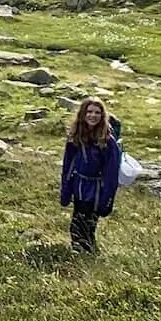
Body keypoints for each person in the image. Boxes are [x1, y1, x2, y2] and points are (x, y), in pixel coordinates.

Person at [60, 97, 122, 253]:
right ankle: (81, 255)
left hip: (96, 190)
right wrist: (66, 190)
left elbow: (112, 173)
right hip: (79, 187)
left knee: (87, 227)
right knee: (76, 225)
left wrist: (107, 200)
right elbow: (67, 164)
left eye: (97, 113)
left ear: (102, 116)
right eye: (89, 112)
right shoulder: (75, 136)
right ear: (83, 114)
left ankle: (88, 256)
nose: (93, 116)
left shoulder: (107, 140)